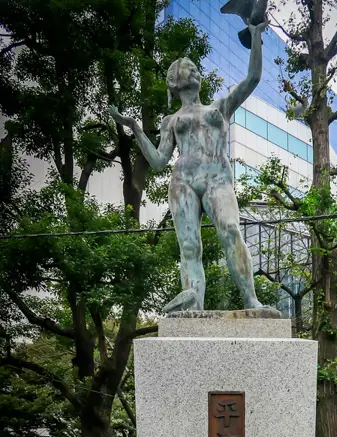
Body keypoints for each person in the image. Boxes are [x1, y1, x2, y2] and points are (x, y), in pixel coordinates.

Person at [108, 20, 268, 313]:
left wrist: (256, 37)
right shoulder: (171, 121)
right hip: (182, 181)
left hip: (218, 178)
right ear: (174, 82)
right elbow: (157, 162)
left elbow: (253, 78)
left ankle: (251, 301)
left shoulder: (219, 107)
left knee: (231, 229)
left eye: (195, 68)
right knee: (190, 248)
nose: (194, 70)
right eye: (187, 69)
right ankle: (193, 305)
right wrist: (133, 127)